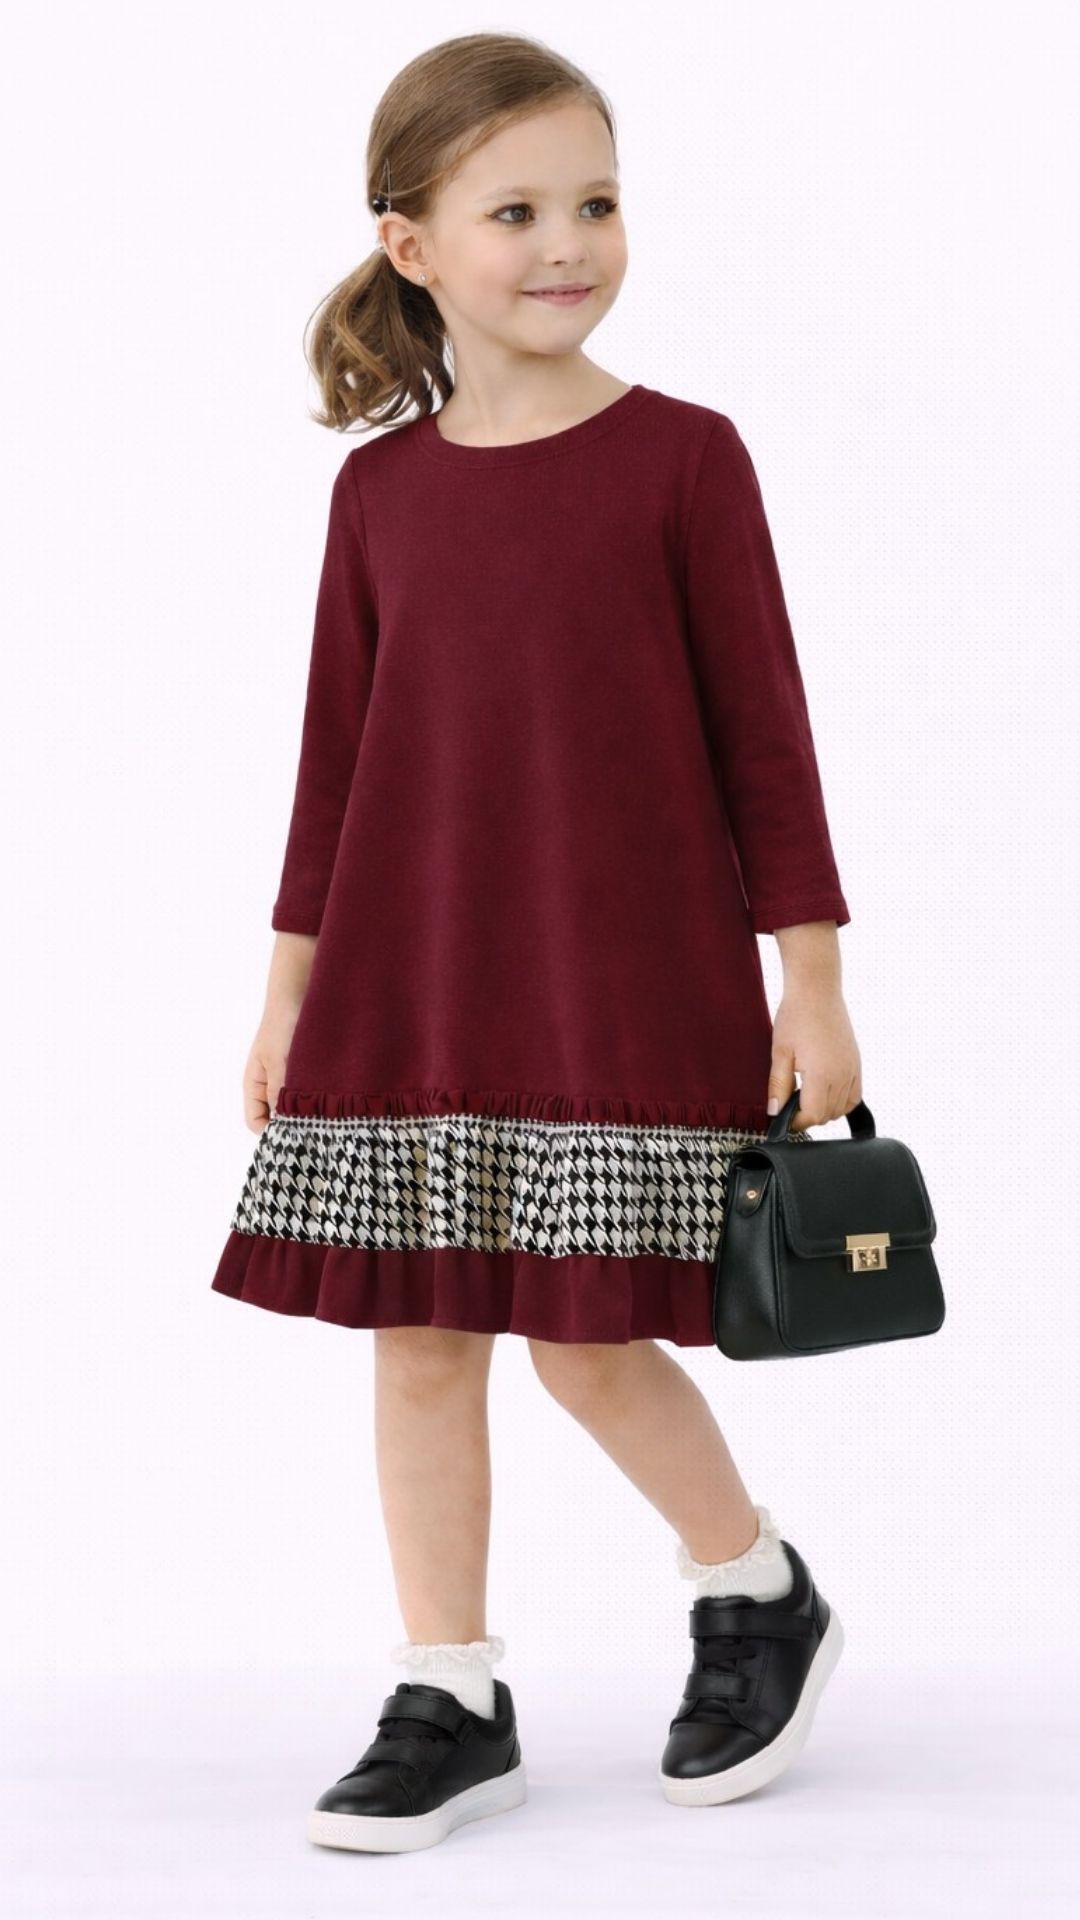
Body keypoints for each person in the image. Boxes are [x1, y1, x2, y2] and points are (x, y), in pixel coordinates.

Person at [211, 30, 860, 1853]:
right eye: (516, 212)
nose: (568, 243)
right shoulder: (378, 495)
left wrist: (811, 980)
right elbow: (336, 766)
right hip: (413, 969)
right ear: (411, 242)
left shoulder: (685, 462)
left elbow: (766, 741)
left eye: (597, 202)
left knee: (586, 1342)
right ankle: (451, 1689)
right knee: (420, 1334)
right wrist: (286, 993)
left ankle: (753, 1588)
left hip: (618, 970)